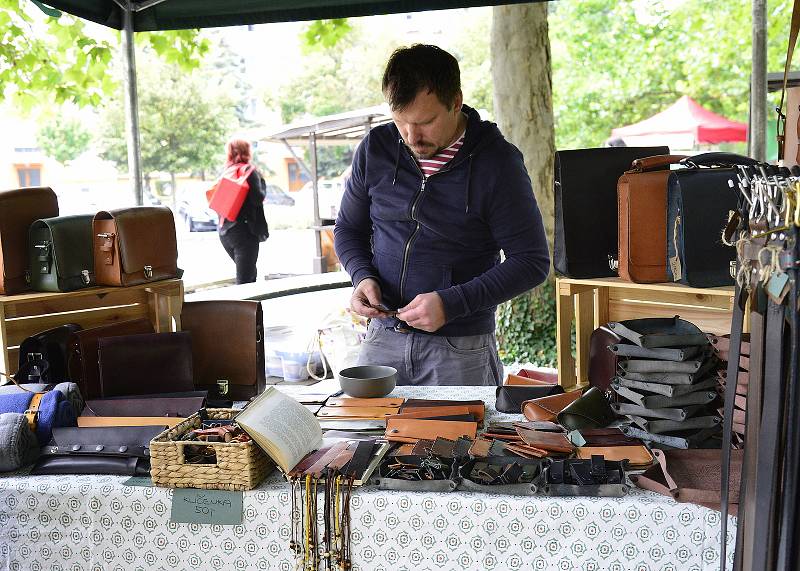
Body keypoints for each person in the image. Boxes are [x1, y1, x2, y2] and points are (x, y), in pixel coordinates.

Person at [334, 44, 550, 386]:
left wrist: (452, 304)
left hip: (460, 348)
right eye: (401, 121)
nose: (412, 136)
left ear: (457, 101)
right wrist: (361, 277)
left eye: (426, 122)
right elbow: (347, 229)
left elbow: (532, 262)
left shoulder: (498, 164)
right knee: (363, 437)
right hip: (381, 339)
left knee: (466, 440)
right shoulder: (376, 147)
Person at [217, 139, 269, 284]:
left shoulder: (226, 172)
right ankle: (244, 306)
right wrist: (262, 182)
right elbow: (258, 198)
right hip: (245, 232)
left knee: (248, 273)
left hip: (225, 232)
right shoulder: (249, 171)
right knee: (245, 280)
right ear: (247, 151)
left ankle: (255, 307)